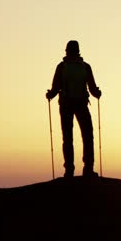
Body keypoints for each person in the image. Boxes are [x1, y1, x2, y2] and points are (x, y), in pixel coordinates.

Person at [46, 40, 102, 178]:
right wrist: (97, 94)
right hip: (81, 104)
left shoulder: (62, 67)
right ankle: (88, 168)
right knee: (88, 135)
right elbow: (93, 89)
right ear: (78, 51)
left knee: (68, 137)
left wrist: (50, 95)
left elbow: (55, 88)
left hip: (65, 105)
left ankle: (69, 170)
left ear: (66, 51)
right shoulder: (85, 67)